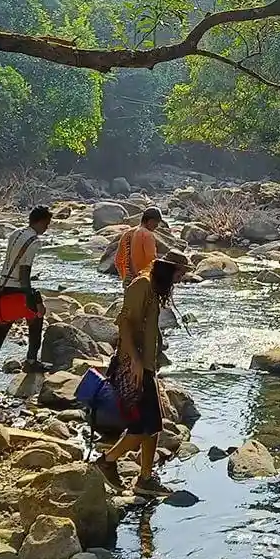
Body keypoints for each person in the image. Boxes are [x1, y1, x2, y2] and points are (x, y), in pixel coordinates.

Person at [94, 250, 189, 497]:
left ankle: (145, 478)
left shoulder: (154, 288)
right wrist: (135, 361)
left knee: (154, 425)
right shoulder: (142, 285)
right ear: (168, 269)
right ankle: (107, 461)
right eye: (179, 274)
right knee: (142, 427)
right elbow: (124, 322)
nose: (179, 279)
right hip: (133, 365)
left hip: (146, 365)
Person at [0, 206, 53, 390]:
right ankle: (30, 361)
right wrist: (33, 298)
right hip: (18, 289)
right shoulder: (33, 241)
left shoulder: (16, 233)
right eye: (46, 224)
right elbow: (24, 271)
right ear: (39, 222)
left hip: (3, 286)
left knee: (2, 328)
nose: (47, 228)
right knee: (37, 317)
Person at [114, 207, 163, 285]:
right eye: (156, 222)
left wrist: (125, 276)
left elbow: (118, 260)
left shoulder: (127, 234)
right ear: (150, 221)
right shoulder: (147, 234)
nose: (157, 226)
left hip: (128, 280)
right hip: (143, 280)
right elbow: (151, 258)